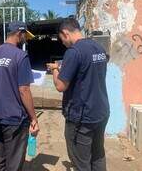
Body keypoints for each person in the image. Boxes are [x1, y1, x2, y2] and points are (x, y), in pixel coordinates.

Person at [47, 18, 110, 171]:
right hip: (101, 111)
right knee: (97, 154)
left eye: (62, 40)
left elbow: (61, 86)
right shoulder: (99, 48)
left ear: (65, 33)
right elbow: (86, 70)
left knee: (81, 161)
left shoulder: (73, 52)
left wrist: (55, 70)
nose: (63, 43)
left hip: (81, 117)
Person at [0, 21, 40, 171]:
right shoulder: (20, 56)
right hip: (14, 117)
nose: (25, 39)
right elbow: (24, 90)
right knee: (14, 162)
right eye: (25, 35)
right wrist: (33, 118)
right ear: (19, 33)